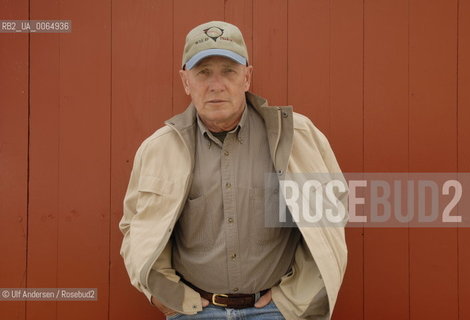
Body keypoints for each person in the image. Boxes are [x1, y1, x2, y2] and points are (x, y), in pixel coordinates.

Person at [119, 21, 348, 320]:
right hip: (194, 312)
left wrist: (296, 298)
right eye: (203, 73)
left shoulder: (297, 136)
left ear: (247, 77)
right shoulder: (158, 149)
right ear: (186, 81)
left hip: (276, 312)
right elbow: (134, 227)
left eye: (228, 71)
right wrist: (166, 294)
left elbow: (333, 211)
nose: (216, 85)